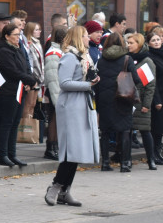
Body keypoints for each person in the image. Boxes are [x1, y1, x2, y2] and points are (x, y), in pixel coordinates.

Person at [44, 25, 100, 206]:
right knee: (71, 150)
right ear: (78, 37)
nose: (88, 39)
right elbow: (65, 82)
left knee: (77, 151)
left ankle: (65, 190)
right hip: (71, 107)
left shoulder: (83, 57)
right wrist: (88, 85)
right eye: (85, 36)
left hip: (81, 106)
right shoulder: (69, 57)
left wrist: (92, 81)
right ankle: (55, 186)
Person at [0, 23, 39, 168]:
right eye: (15, 35)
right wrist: (29, 80)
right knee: (7, 123)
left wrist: (28, 80)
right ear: (6, 36)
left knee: (15, 122)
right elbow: (12, 71)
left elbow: (25, 67)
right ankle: (3, 154)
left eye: (19, 35)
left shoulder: (18, 48)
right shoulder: (3, 51)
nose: (18, 38)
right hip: (8, 91)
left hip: (19, 90)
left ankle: (12, 154)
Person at [95, 32, 134, 172]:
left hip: (105, 99)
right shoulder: (126, 59)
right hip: (122, 98)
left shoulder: (101, 59)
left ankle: (105, 163)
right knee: (124, 131)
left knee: (105, 131)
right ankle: (124, 164)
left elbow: (97, 79)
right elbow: (136, 79)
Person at [127, 33, 158, 171]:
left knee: (145, 131)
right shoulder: (127, 59)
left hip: (141, 101)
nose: (128, 45)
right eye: (127, 42)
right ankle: (126, 160)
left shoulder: (147, 61)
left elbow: (150, 86)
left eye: (131, 43)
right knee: (127, 132)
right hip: (128, 100)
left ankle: (151, 160)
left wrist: (146, 104)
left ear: (138, 44)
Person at [146, 27, 163, 166]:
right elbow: (152, 79)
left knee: (162, 128)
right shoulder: (150, 57)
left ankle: (159, 153)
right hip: (158, 96)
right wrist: (156, 99)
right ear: (148, 43)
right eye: (153, 40)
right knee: (156, 128)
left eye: (158, 39)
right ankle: (154, 154)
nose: (157, 42)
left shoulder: (161, 54)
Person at [42, 25, 65, 160]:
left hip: (58, 91)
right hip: (54, 91)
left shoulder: (59, 51)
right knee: (53, 120)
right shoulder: (53, 53)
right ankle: (50, 147)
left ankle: (55, 146)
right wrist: (57, 100)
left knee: (57, 120)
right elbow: (53, 78)